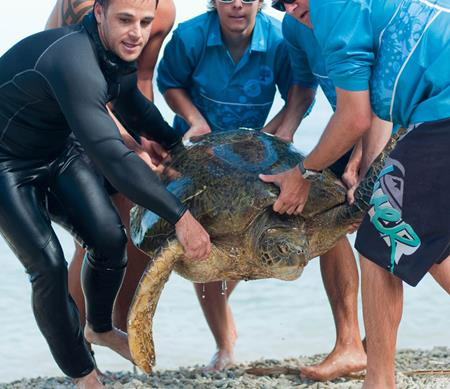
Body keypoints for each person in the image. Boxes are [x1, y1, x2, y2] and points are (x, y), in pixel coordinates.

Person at [0, 0, 211, 388]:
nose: (136, 33)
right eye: (125, 20)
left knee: (110, 240)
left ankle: (99, 328)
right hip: (6, 165)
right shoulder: (72, 59)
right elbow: (112, 156)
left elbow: (134, 107)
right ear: (99, 13)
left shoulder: (115, 54)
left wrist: (179, 151)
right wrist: (180, 216)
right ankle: (84, 376)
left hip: (56, 152)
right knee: (47, 266)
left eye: (145, 22)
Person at [266, 1, 450, 388]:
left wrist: (303, 173)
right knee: (429, 244)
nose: (291, 4)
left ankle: (378, 381)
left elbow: (355, 116)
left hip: (442, 108)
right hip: (431, 109)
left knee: (379, 238)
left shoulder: (333, 8)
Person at [156, 0, 304, 371]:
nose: (237, 3)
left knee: (245, 242)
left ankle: (226, 318)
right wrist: (194, 119)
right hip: (198, 154)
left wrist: (282, 130)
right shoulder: (190, 36)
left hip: (252, 156)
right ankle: (224, 343)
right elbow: (168, 82)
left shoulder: (280, 38)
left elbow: (301, 90)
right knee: (203, 249)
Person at [45, 0, 176, 336]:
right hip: (67, 119)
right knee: (91, 237)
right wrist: (129, 146)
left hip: (117, 117)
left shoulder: (163, 12)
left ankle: (118, 327)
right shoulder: (84, 7)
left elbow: (139, 76)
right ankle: (81, 343)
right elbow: (80, 88)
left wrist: (147, 137)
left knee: (140, 227)